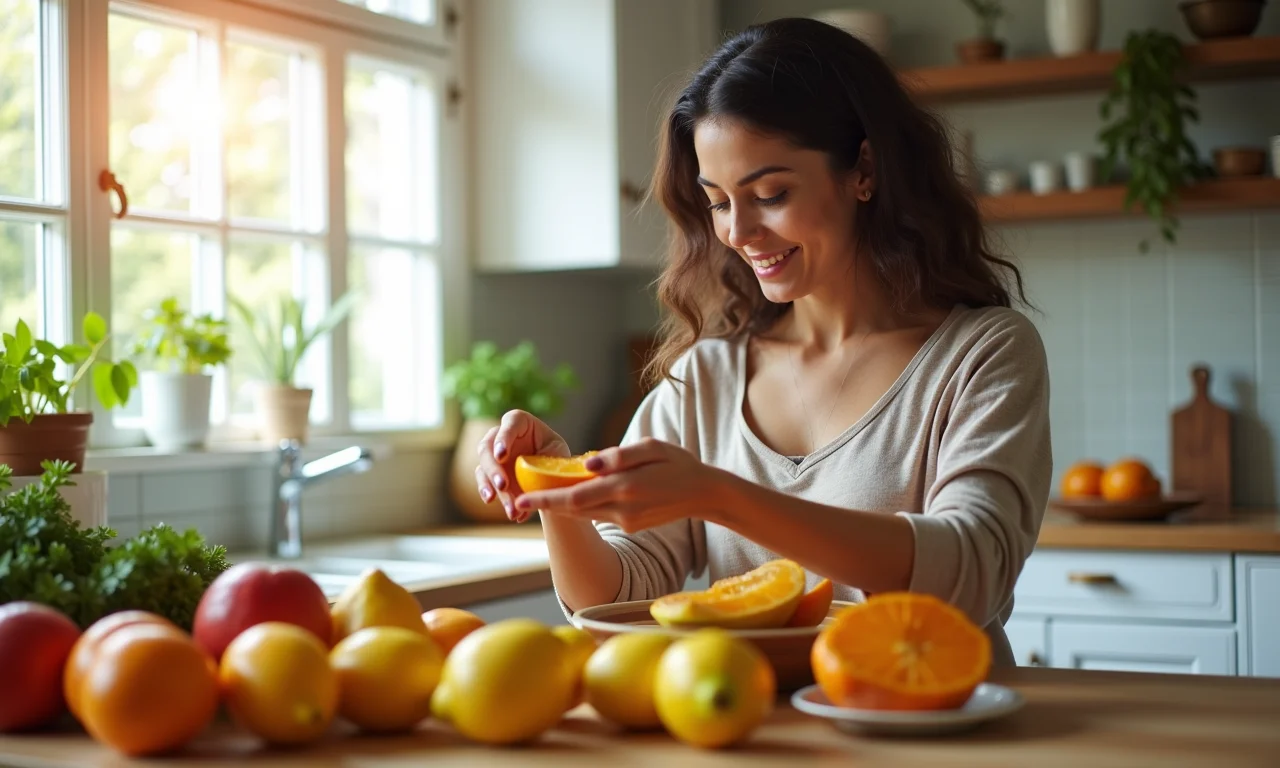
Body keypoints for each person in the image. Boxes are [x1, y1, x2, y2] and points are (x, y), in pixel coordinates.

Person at [472, 17, 1051, 666]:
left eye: (770, 194)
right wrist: (561, 497)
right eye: (718, 201)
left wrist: (719, 494)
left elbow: (973, 572)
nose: (739, 231)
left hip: (934, 735)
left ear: (863, 168)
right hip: (755, 732)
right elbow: (609, 595)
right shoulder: (707, 378)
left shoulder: (982, 355)